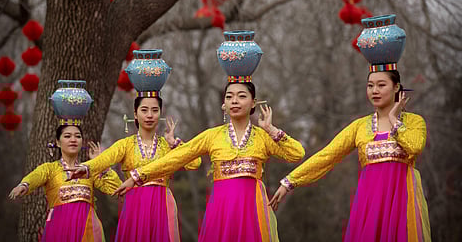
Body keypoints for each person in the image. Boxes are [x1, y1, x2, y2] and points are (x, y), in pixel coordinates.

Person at [269, 15, 431, 242]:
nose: (374, 90)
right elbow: (327, 156)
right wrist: (289, 182)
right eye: (370, 85)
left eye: (381, 85)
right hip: (369, 206)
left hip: (401, 205)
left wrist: (395, 119)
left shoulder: (414, 122)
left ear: (397, 88)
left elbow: (414, 148)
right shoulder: (360, 127)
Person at [111, 81, 305, 242]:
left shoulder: (263, 137)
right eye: (229, 97)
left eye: (241, 96)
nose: (234, 101)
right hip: (221, 209)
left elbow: (297, 153)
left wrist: (271, 129)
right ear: (223, 105)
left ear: (253, 103)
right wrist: (137, 176)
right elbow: (176, 158)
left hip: (252, 208)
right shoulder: (212, 136)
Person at [66, 49, 201, 242]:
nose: (149, 115)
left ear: (160, 113)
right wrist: (87, 167)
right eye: (144, 110)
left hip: (162, 204)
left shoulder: (165, 146)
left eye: (155, 110)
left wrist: (176, 143)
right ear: (135, 114)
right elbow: (107, 158)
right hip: (135, 204)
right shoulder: (126, 144)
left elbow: (194, 163)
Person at [8, 123, 122, 242]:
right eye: (67, 136)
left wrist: (100, 163)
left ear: (82, 142)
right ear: (57, 142)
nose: (73, 139)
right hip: (60, 226)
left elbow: (116, 187)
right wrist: (24, 185)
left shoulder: (89, 169)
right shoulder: (50, 169)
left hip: (88, 228)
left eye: (77, 136)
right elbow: (36, 176)